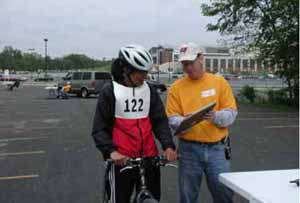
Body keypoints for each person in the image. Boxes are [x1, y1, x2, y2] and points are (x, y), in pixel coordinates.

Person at [91, 45, 177, 203]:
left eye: (146, 72)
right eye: (141, 72)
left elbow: (159, 121)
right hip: (122, 160)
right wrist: (111, 152)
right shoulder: (110, 91)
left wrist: (168, 145)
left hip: (149, 159)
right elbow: (99, 129)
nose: (145, 76)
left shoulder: (149, 90)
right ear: (126, 70)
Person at [166, 42, 238, 203]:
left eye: (190, 63)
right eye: (184, 64)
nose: (188, 68)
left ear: (201, 58)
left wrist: (215, 116)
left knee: (224, 194)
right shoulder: (176, 88)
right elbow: (172, 119)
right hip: (189, 150)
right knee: (188, 197)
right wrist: (185, 121)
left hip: (217, 149)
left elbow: (231, 114)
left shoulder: (219, 82)